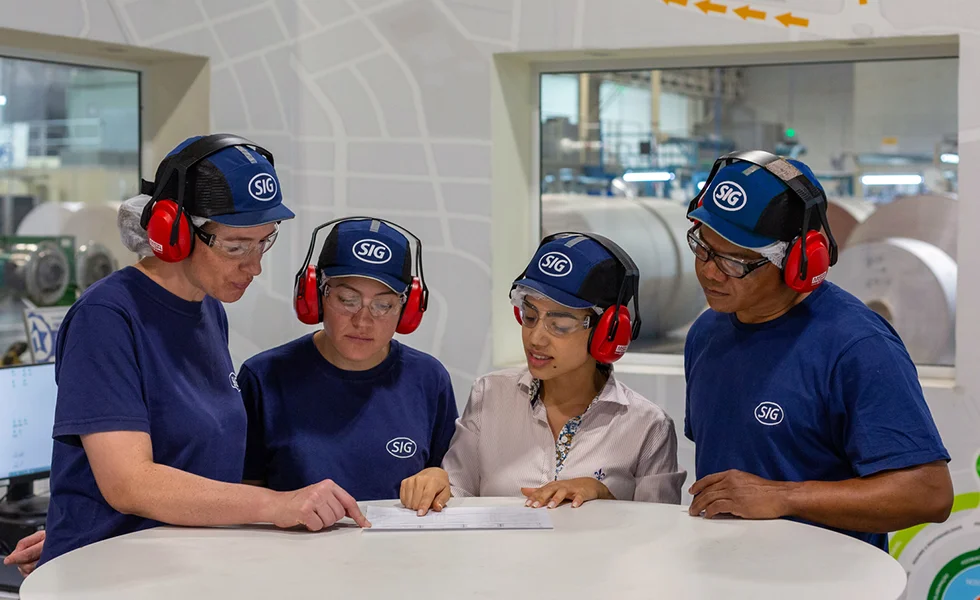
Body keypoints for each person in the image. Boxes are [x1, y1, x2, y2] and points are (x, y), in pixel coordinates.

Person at [4, 134, 369, 574]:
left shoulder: (208, 309)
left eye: (263, 242)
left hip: (172, 567)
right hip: (113, 581)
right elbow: (130, 483)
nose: (254, 266)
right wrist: (276, 504)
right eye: (236, 246)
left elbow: (191, 457)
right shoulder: (106, 317)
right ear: (172, 230)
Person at [683, 150, 953, 551]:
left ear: (800, 259)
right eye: (702, 247)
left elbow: (928, 493)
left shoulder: (856, 347)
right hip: (725, 575)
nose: (708, 270)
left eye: (734, 260)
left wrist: (784, 496)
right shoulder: (707, 333)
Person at [400, 233, 686, 515]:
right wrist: (438, 484)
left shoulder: (648, 427)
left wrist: (605, 498)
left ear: (608, 331)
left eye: (559, 325)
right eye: (530, 316)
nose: (536, 338)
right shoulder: (490, 394)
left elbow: (659, 538)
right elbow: (457, 496)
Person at [237, 217, 458, 501]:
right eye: (347, 300)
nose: (363, 321)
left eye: (383, 305)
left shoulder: (429, 379)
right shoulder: (263, 378)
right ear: (316, 295)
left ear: (408, 308)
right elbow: (243, 496)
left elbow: (447, 481)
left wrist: (441, 478)